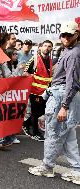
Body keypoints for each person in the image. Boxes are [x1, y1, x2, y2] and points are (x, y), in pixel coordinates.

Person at [28, 21, 80, 185]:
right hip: (62, 95)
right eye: (63, 35)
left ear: (76, 34)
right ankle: (77, 170)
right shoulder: (71, 50)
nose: (65, 38)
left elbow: (72, 82)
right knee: (69, 136)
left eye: (68, 35)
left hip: (61, 97)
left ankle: (47, 167)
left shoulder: (73, 53)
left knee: (53, 134)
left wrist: (64, 107)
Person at [23, 40, 54, 141]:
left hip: (45, 92)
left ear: (51, 49)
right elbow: (25, 72)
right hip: (35, 91)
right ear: (40, 47)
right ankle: (35, 133)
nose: (46, 48)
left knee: (41, 111)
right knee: (35, 113)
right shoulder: (35, 58)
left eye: (49, 46)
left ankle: (26, 124)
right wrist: (31, 77)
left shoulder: (50, 60)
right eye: (45, 46)